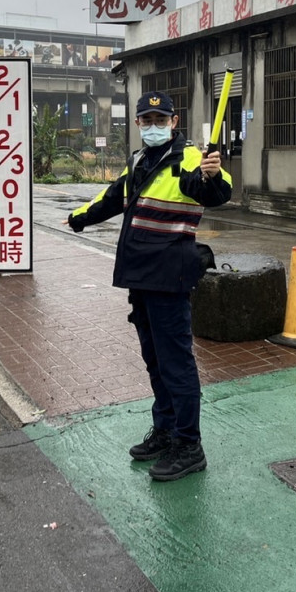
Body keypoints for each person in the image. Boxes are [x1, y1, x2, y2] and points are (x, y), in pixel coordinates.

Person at [67, 91, 232, 481]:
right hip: (140, 274)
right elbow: (113, 199)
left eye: (162, 119)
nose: (154, 126)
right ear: (138, 124)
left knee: (176, 363)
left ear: (174, 122)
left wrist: (213, 176)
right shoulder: (140, 160)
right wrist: (78, 218)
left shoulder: (190, 158)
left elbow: (215, 190)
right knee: (155, 360)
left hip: (170, 274)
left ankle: (189, 445)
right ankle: (166, 430)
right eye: (148, 120)